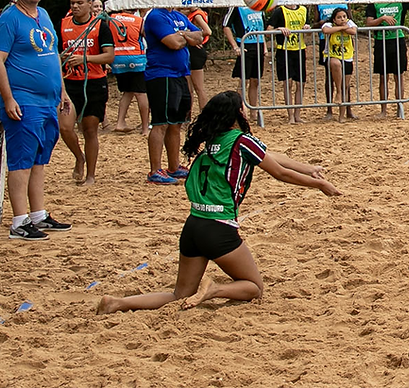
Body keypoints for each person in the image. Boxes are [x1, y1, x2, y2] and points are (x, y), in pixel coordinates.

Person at [96, 91, 340, 315]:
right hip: (219, 228)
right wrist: (319, 185)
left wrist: (308, 169)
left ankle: (118, 303)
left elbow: (273, 157)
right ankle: (214, 290)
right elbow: (280, 172)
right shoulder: (242, 141)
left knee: (179, 294)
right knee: (254, 287)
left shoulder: (213, 142)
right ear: (237, 113)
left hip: (194, 225)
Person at [0, 0, 72, 240]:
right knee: (21, 160)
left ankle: (38, 215)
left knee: (39, 160)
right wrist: (8, 98)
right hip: (24, 100)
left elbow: (53, 54)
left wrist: (62, 91)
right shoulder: (9, 19)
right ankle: (19, 221)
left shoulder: (43, 15)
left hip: (48, 100)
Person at [143, 0, 205, 184]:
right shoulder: (155, 16)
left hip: (180, 74)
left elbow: (201, 36)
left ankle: (173, 166)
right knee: (160, 123)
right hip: (161, 75)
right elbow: (173, 43)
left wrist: (182, 34)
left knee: (177, 123)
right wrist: (186, 36)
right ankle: (154, 170)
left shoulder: (178, 15)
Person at [58, 0, 114, 186]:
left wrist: (85, 59)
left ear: (90, 4)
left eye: (79, 3)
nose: (75, 6)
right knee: (65, 127)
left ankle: (91, 175)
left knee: (90, 130)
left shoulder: (101, 26)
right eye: (72, 3)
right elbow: (56, 53)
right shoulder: (63, 25)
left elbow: (109, 56)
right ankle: (78, 157)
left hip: (94, 83)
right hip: (70, 83)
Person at [312, 0, 354, 120]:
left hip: (344, 42)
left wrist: (344, 28)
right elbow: (315, 23)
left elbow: (351, 21)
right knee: (330, 76)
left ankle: (348, 110)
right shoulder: (319, 0)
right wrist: (321, 23)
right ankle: (329, 110)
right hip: (327, 41)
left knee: (346, 76)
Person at [267, 0, 309, 125]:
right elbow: (268, 30)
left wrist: (307, 28)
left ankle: (297, 115)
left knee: (301, 83)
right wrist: (279, 29)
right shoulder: (279, 11)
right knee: (288, 83)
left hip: (299, 49)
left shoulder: (303, 9)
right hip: (284, 50)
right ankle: (290, 115)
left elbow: (308, 30)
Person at [109, 9, 149, 134]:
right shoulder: (139, 20)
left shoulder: (112, 18)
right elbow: (147, 36)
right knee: (141, 93)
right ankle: (145, 127)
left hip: (117, 58)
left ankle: (120, 122)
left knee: (127, 91)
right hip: (136, 58)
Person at [224, 4, 268, 113]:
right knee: (243, 81)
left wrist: (265, 47)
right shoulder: (236, 6)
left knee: (255, 80)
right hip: (245, 44)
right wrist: (235, 46)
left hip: (258, 45)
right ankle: (239, 110)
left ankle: (253, 112)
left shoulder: (259, 5)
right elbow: (226, 26)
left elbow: (262, 27)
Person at [321, 7, 358, 123]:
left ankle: (342, 115)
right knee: (335, 63)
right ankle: (338, 92)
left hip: (347, 57)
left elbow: (353, 31)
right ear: (334, 19)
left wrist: (343, 28)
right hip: (333, 55)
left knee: (345, 86)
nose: (342, 19)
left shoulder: (350, 23)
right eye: (339, 17)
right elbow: (325, 30)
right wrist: (342, 28)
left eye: (344, 17)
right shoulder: (329, 24)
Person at [183, 6, 213, 112]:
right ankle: (188, 115)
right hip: (190, 51)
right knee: (188, 89)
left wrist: (190, 36)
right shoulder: (189, 14)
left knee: (198, 88)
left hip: (195, 51)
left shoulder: (197, 15)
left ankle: (204, 114)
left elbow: (207, 31)